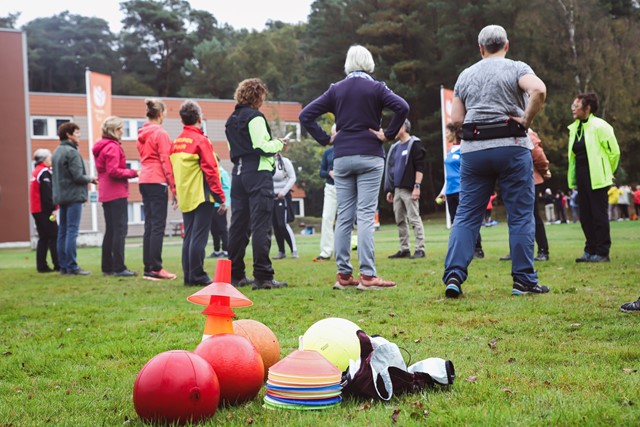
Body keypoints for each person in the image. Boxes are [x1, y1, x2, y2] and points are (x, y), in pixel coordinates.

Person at [442, 24, 548, 298]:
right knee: (521, 215)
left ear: (480, 48)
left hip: (474, 151)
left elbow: (455, 120)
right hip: (512, 147)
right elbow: (538, 90)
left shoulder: (466, 75)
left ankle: (454, 274)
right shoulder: (516, 68)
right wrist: (525, 120)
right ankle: (523, 280)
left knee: (466, 214)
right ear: (506, 45)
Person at [300, 44, 409, 291]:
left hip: (342, 157)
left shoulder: (336, 90)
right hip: (370, 155)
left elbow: (306, 115)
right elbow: (402, 106)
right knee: (366, 216)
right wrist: (388, 134)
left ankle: (344, 275)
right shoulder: (377, 87)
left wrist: (326, 138)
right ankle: (368, 275)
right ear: (369, 63)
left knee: (344, 217)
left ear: (348, 64)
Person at [226, 78, 288, 290]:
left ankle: (235, 275)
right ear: (258, 96)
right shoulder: (255, 117)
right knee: (261, 224)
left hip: (238, 174)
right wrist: (279, 143)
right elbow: (261, 146)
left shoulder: (230, 120)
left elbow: (232, 149)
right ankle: (263, 276)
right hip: (258, 173)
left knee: (238, 226)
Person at [171, 100, 226, 286]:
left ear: (182, 120)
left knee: (189, 236)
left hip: (185, 195)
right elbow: (211, 170)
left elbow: (172, 171)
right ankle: (198, 275)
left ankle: (189, 276)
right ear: (199, 118)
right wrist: (220, 197)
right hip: (202, 195)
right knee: (199, 237)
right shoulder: (201, 141)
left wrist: (175, 192)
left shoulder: (176, 142)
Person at [568, 93, 620, 263]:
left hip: (598, 177)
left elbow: (614, 152)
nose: (573, 108)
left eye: (576, 105)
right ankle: (589, 250)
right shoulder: (574, 128)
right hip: (581, 176)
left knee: (599, 215)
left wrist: (607, 171)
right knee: (585, 215)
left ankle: (602, 251)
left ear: (587, 108)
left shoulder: (600, 126)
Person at [93, 116, 139, 277]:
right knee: (119, 230)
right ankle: (119, 267)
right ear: (115, 130)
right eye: (121, 128)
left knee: (111, 231)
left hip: (106, 192)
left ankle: (107, 266)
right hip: (116, 192)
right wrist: (134, 172)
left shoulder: (102, 146)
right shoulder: (112, 147)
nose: (123, 131)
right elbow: (113, 171)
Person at [137, 98, 177, 280]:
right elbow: (166, 161)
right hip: (157, 180)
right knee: (158, 226)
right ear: (160, 114)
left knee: (150, 225)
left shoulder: (142, 133)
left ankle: (149, 267)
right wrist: (174, 187)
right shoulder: (160, 134)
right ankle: (155, 267)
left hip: (144, 179)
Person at [500, 129, 551, 262]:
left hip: (529, 179)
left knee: (533, 216)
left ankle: (543, 250)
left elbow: (538, 153)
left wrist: (544, 170)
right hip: (513, 180)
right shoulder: (504, 128)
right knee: (513, 216)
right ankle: (516, 251)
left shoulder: (526, 130)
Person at [52, 122, 96, 276]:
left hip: (61, 196)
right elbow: (78, 176)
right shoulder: (72, 152)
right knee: (72, 231)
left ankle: (64, 266)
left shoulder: (57, 152)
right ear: (69, 135)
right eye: (77, 133)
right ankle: (72, 266)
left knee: (62, 232)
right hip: (73, 197)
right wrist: (91, 178)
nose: (79, 136)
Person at [436, 123, 484, 259]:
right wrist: (443, 191)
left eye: (447, 132)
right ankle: (461, 249)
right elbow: (449, 175)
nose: (445, 135)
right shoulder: (450, 151)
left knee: (468, 219)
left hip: (463, 190)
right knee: (455, 222)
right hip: (450, 191)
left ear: (455, 133)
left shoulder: (464, 149)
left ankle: (477, 248)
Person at [384, 118, 426, 259]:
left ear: (403, 128)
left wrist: (417, 187)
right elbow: (391, 169)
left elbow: (420, 167)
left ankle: (420, 249)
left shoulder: (415, 144)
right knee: (400, 220)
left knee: (414, 219)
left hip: (409, 188)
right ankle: (404, 249)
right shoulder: (395, 147)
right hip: (396, 189)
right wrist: (390, 189)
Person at [30, 148, 59, 273]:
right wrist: (53, 209)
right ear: (44, 159)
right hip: (44, 210)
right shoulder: (43, 172)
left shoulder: (36, 171)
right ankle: (58, 264)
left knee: (43, 238)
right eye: (49, 156)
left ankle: (42, 266)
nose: (51, 158)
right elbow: (47, 193)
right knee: (54, 236)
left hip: (37, 209)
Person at [313, 127, 336, 262]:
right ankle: (326, 252)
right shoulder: (328, 152)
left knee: (345, 221)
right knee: (327, 218)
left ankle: (342, 251)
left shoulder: (347, 151)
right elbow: (321, 172)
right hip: (330, 188)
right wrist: (329, 173)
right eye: (333, 134)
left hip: (346, 188)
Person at [272, 152, 298, 259]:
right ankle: (281, 251)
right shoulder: (267, 162)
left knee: (282, 224)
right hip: (271, 197)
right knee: (276, 225)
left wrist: (283, 191)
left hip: (282, 197)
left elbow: (292, 178)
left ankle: (294, 250)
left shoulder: (285, 162)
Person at [209, 155, 230, 258]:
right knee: (213, 229)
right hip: (211, 204)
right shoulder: (210, 173)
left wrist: (226, 203)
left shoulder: (222, 173)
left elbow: (227, 188)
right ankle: (216, 250)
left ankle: (226, 250)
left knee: (222, 228)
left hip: (220, 205)